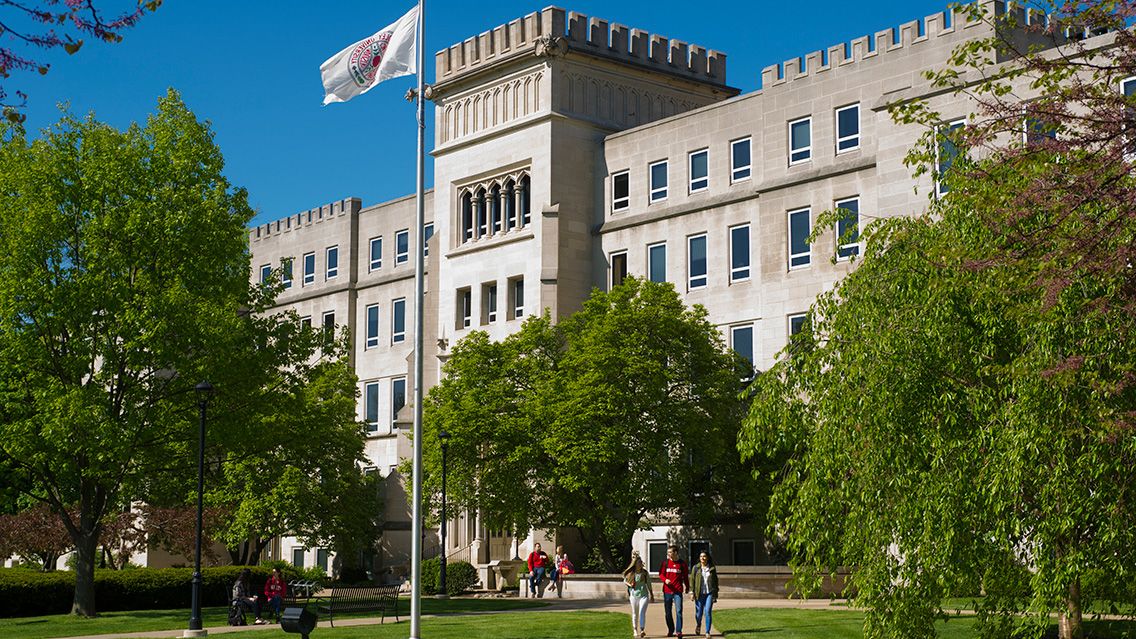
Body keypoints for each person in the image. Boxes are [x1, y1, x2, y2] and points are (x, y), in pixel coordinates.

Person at [658, 545, 689, 638]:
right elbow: (661, 574)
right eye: (668, 553)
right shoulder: (665, 563)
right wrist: (665, 580)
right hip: (667, 591)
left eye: (670, 552)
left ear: (675, 553)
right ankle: (671, 629)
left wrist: (687, 587)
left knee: (679, 611)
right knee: (668, 612)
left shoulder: (682, 564)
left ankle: (678, 631)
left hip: (678, 591)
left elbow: (685, 577)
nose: (669, 554)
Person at [623, 551, 654, 638]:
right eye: (638, 563)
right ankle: (635, 629)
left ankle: (642, 629)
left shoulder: (645, 573)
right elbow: (625, 581)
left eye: (640, 562)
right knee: (635, 613)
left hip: (644, 595)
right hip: (633, 596)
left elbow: (649, 583)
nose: (640, 564)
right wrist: (630, 584)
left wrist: (651, 594)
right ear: (635, 564)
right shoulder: (631, 573)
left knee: (642, 612)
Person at [690, 552, 719, 639]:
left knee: (708, 611)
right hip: (699, 593)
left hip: (709, 593)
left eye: (704, 556)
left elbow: (715, 581)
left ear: (707, 558)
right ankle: (698, 625)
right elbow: (692, 580)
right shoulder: (696, 568)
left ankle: (707, 632)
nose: (702, 558)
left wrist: (715, 594)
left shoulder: (712, 568)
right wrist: (692, 593)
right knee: (699, 614)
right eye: (701, 556)